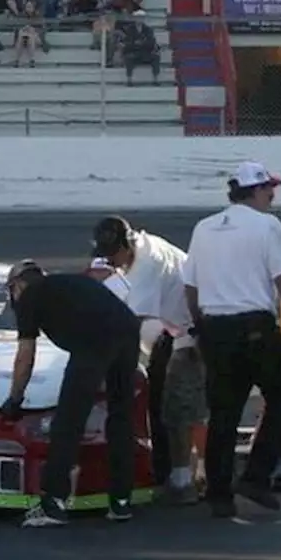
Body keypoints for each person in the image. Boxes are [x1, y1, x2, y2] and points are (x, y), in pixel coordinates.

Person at [182, 162, 281, 519]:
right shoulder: (268, 226)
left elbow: (190, 287)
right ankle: (255, 476)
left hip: (215, 329)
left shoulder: (204, 228)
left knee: (223, 414)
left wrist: (201, 327)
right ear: (255, 191)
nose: (273, 195)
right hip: (255, 326)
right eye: (270, 188)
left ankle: (219, 494)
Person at [0, 259, 141, 528]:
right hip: (127, 331)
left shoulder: (30, 296)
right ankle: (121, 501)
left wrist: (15, 398)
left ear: (16, 285)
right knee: (121, 418)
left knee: (68, 421)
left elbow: (25, 356)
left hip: (93, 342)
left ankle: (53, 502)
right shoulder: (71, 283)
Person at [92, 216, 205, 506]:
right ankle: (190, 468)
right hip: (173, 328)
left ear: (128, 244)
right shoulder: (141, 249)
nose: (112, 263)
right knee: (175, 403)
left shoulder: (147, 264)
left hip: (191, 332)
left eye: (114, 255)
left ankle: (185, 479)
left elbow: (131, 318)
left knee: (179, 406)